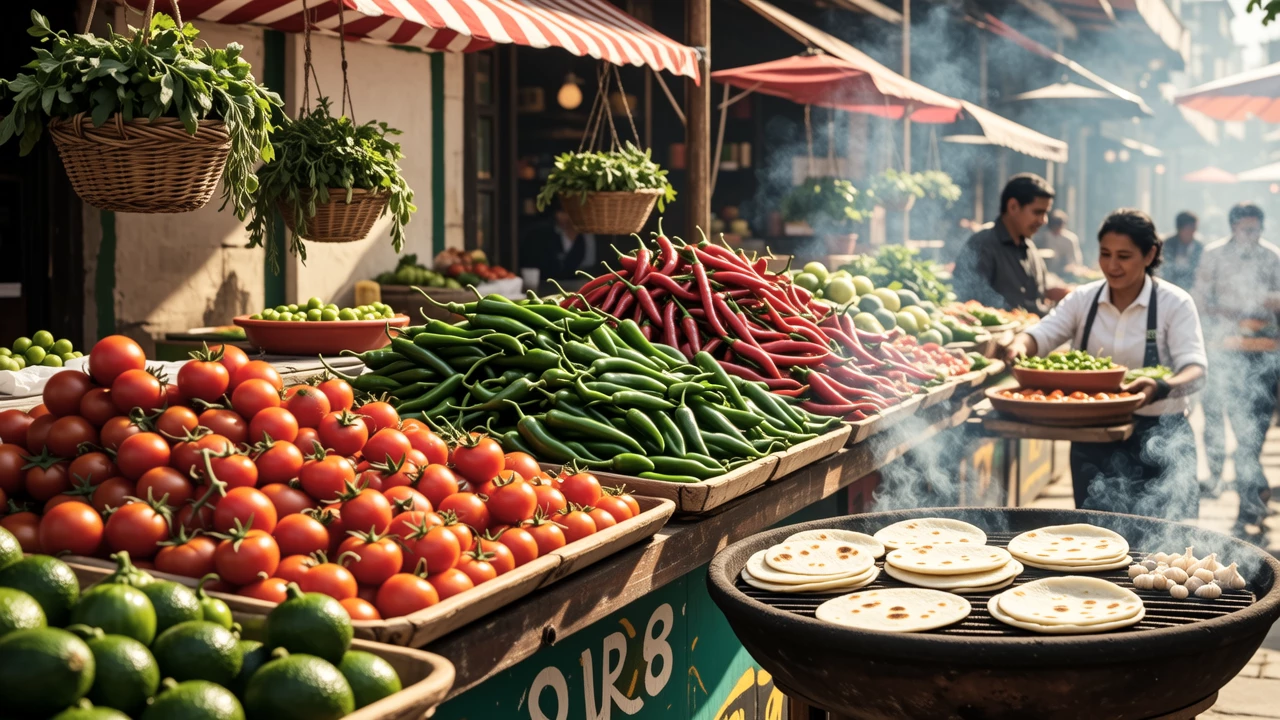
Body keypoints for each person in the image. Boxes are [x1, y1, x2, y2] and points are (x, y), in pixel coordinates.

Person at [1004, 209, 1207, 520]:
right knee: (1099, 537)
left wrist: (1161, 386)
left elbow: (1195, 370)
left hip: (1162, 438)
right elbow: (1043, 334)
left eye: (1124, 256)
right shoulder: (1082, 300)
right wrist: (1020, 345)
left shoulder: (1174, 303)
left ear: (1150, 254)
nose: (1112, 265)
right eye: (1105, 254)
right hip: (1093, 441)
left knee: (1166, 546)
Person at [1193, 203, 1280, 533]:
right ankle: (1246, 497)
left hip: (1263, 350)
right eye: (1246, 230)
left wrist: (1263, 299)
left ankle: (1253, 497)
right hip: (1223, 349)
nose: (1252, 236)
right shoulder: (1213, 255)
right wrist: (1225, 311)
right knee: (1227, 423)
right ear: (1232, 227)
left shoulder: (1272, 256)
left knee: (1254, 431)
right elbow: (1200, 299)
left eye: (1256, 230)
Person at [953, 173, 1068, 316]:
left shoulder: (1029, 247)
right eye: (1038, 212)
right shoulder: (982, 244)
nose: (1043, 220)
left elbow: (1042, 291)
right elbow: (969, 305)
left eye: (1045, 213)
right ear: (1013, 207)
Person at [521, 208, 599, 286]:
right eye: (563, 212)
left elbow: (589, 265)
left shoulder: (586, 237)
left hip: (576, 285)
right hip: (547, 284)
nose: (566, 217)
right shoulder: (543, 234)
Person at [1160, 211, 1203, 291]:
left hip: (1192, 289)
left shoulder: (1199, 247)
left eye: (1194, 229)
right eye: (1189, 228)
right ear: (1179, 228)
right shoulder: (1167, 245)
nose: (1192, 232)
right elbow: (1164, 269)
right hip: (1170, 287)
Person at [1034, 209, 1083, 277]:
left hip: (1066, 272)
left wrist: (1072, 268)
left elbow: (1074, 258)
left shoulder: (1070, 239)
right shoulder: (1044, 237)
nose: (1056, 230)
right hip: (1048, 272)